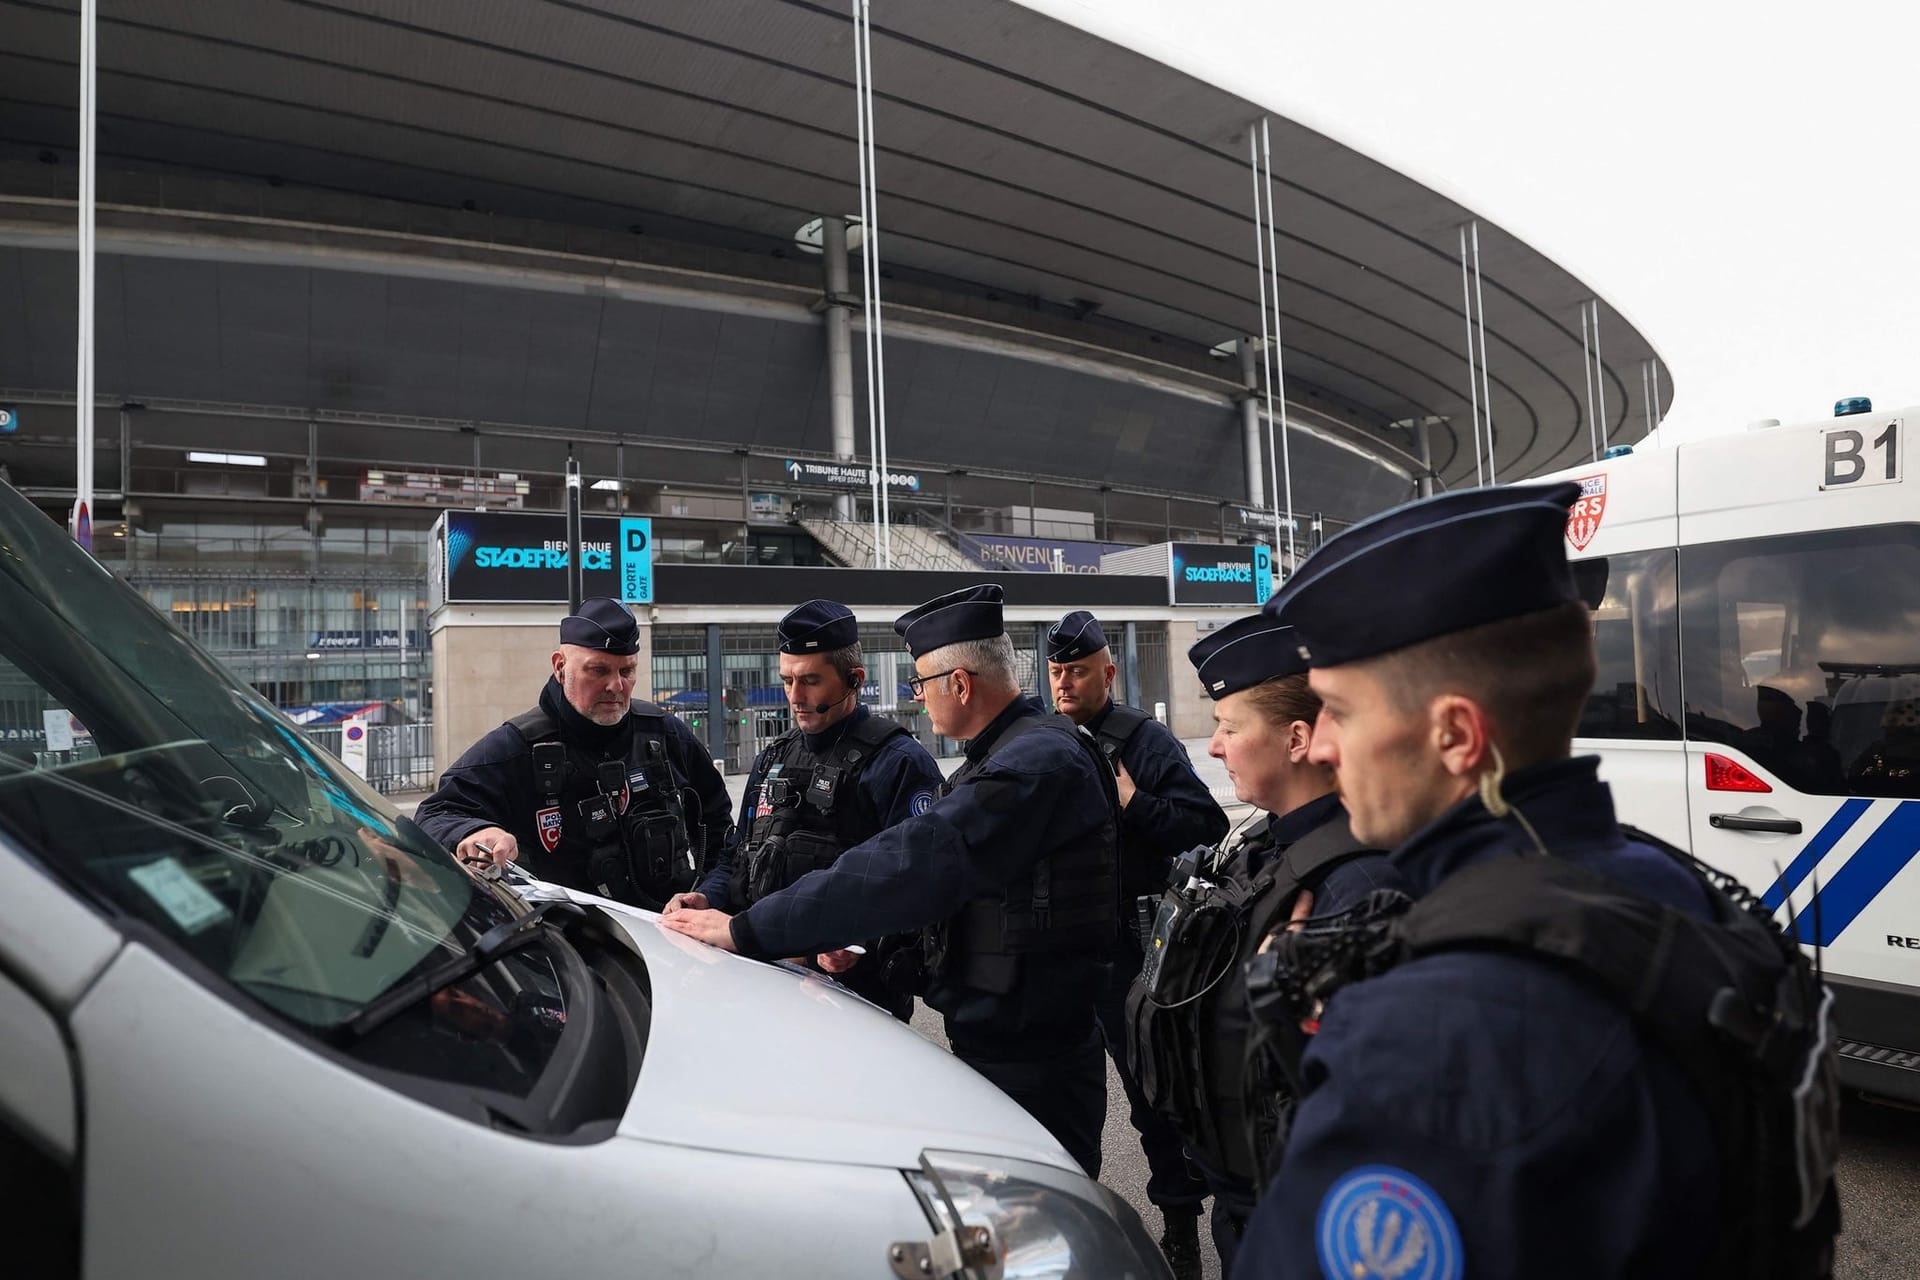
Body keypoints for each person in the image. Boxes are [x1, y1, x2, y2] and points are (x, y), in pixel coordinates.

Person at [1232, 483, 1839, 1279]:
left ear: (1454, 734)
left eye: (1341, 712)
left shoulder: (1434, 1029)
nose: (1323, 748)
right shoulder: (1669, 885)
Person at [663, 584, 1120, 1176]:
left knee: (1036, 1221)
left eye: (920, 685)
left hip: (1031, 1051)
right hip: (1006, 1034)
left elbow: (909, 864)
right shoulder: (1013, 752)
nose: (918, 699)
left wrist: (749, 930)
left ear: (958, 684)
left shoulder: (1031, 764)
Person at [1125, 613, 1398, 1273]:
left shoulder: (1354, 884)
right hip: (1245, 1198)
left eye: (1229, 727)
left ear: (1298, 738)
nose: (1214, 747)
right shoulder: (1262, 845)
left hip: (1307, 1219)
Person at [1047, 609, 1224, 1277]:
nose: (1065, 683)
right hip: (1063, 950)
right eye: (1058, 671)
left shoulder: (1141, 742)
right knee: (1068, 1097)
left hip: (1132, 950)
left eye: (1079, 671)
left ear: (1108, 672)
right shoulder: (1045, 739)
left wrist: (1134, 805)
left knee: (1153, 1099)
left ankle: (1180, 1224)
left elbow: (1202, 824)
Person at [664, 599, 943, 1021]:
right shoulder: (773, 756)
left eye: (811, 681)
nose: (795, 696)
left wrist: (859, 942)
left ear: (854, 680)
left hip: (856, 1004)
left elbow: (921, 886)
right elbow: (738, 855)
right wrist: (707, 896)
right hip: (760, 983)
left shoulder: (898, 762)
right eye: (787, 680)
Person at [415, 597, 732, 908]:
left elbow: (718, 823)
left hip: (671, 937)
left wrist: (708, 895)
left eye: (627, 671)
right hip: (573, 945)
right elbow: (436, 813)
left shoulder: (665, 734)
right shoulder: (517, 747)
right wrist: (476, 832)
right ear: (560, 667)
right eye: (598, 670)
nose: (616, 686)